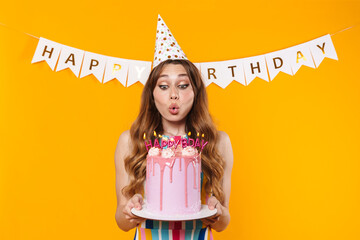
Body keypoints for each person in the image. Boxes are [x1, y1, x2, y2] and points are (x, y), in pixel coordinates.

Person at [114, 58, 233, 239]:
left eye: (183, 85)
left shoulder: (218, 142)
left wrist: (218, 212)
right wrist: (130, 210)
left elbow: (223, 223)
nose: (173, 94)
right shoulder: (131, 141)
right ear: (152, 95)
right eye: (163, 86)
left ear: (196, 92)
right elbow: (121, 221)